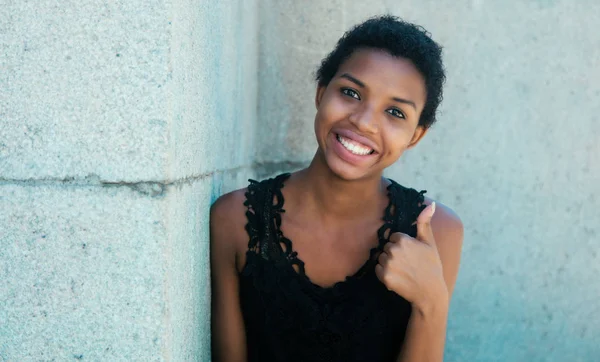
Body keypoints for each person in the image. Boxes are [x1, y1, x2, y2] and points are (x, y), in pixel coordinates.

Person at [210, 15, 464, 362]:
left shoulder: (438, 233)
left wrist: (431, 303)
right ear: (320, 93)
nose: (363, 121)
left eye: (394, 112)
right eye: (350, 93)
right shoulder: (234, 220)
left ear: (416, 136)